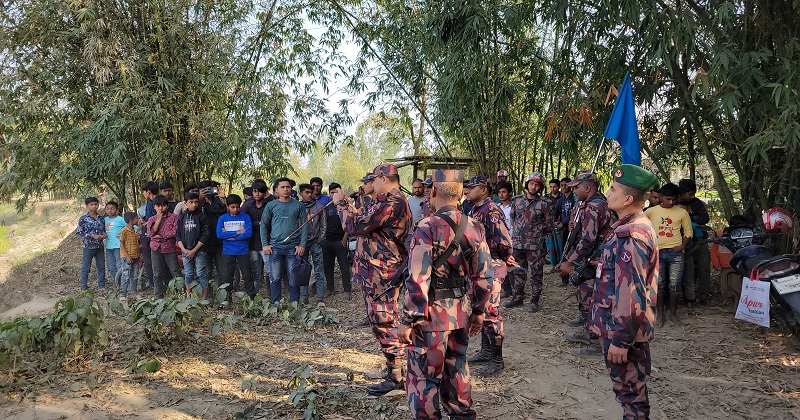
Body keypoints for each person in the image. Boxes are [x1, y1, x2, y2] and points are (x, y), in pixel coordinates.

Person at [398, 169, 493, 419]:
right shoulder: (474, 227)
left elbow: (418, 278)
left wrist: (409, 320)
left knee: (424, 379)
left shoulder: (426, 227)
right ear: (461, 193)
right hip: (460, 312)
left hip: (430, 316)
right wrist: (479, 311)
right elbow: (484, 275)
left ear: (434, 191)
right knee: (457, 369)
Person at [332, 163, 411, 396]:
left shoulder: (392, 202)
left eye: (373, 179)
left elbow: (354, 226)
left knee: (384, 322)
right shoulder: (385, 201)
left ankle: (397, 376)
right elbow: (365, 220)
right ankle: (393, 369)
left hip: (382, 273)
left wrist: (341, 203)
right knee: (380, 321)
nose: (371, 183)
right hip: (374, 271)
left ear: (383, 178)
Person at [593, 164, 660, 419]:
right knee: (628, 393)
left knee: (632, 396)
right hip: (619, 326)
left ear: (628, 199)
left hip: (623, 331)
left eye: (613, 188)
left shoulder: (632, 234)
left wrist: (620, 341)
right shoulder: (627, 226)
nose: (608, 192)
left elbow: (631, 292)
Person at [556, 171, 615, 357]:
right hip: (592, 259)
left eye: (576, 187)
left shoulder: (594, 207)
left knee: (592, 299)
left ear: (587, 187)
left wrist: (570, 262)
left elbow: (588, 239)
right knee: (584, 295)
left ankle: (598, 342)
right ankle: (589, 331)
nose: (573, 191)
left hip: (596, 258)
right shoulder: (589, 205)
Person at [464, 175, 513, 376]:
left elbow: (504, 242)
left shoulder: (491, 210)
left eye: (471, 187)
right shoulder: (475, 209)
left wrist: (497, 259)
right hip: (479, 267)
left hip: (490, 266)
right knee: (481, 308)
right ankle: (485, 351)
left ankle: (497, 359)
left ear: (484, 190)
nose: (466, 190)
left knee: (491, 313)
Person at [645, 182, 692, 326]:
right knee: (659, 284)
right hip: (657, 253)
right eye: (667, 199)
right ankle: (660, 314)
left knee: (675, 285)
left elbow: (688, 232)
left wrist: (682, 245)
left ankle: (672, 314)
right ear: (660, 197)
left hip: (676, 254)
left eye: (673, 199)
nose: (670, 202)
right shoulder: (651, 212)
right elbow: (641, 227)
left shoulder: (682, 212)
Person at [505, 172, 552, 312]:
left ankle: (534, 300)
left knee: (536, 273)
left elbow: (549, 225)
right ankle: (517, 297)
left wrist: (536, 234)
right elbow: (512, 219)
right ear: (527, 184)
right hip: (518, 244)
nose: (533, 187)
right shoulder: (517, 201)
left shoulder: (545, 203)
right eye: (531, 183)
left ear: (541, 187)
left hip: (535, 245)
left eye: (537, 185)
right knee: (518, 271)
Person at [261, 177, 307, 303]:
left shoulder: (298, 205)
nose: (286, 189)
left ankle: (294, 306)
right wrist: (265, 244)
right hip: (275, 248)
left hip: (293, 248)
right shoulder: (271, 205)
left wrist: (302, 245)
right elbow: (264, 225)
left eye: (288, 187)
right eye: (282, 187)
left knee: (293, 279)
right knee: (275, 278)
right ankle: (275, 305)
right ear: (276, 190)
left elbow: (304, 226)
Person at [678, 179, 711, 305]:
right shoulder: (673, 201)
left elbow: (704, 218)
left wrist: (688, 219)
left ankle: (704, 295)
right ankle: (684, 297)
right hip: (679, 240)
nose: (692, 196)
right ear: (682, 192)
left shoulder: (696, 203)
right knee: (685, 271)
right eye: (690, 194)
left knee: (704, 267)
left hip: (699, 239)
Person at [218, 194, 255, 298]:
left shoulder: (245, 217)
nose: (235, 209)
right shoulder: (222, 218)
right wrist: (237, 233)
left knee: (247, 275)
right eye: (232, 207)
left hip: (243, 250)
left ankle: (252, 297)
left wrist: (229, 235)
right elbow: (219, 234)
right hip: (228, 251)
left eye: (237, 207)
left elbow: (248, 233)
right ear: (227, 207)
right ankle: (227, 298)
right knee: (227, 276)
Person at [146, 195, 182, 298]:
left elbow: (174, 232)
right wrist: (158, 219)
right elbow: (151, 233)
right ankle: (158, 296)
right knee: (157, 274)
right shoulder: (151, 219)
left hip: (170, 248)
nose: (161, 208)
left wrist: (160, 236)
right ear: (154, 207)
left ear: (167, 206)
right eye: (158, 206)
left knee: (175, 271)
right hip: (155, 248)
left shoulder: (174, 217)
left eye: (163, 206)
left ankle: (180, 294)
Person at [177, 192, 211, 299]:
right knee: (188, 273)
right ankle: (189, 296)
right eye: (191, 202)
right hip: (185, 250)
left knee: (201, 272)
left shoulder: (202, 216)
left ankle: (204, 298)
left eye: (196, 202)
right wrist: (184, 249)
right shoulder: (181, 217)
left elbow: (206, 235)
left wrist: (194, 250)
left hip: (200, 250)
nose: (194, 204)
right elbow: (178, 235)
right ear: (185, 203)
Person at [321, 182, 352, 300]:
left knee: (344, 267)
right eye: (332, 192)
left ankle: (347, 290)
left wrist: (345, 238)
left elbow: (349, 223)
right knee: (328, 267)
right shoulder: (326, 206)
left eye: (337, 192)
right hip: (327, 241)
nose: (334, 194)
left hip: (340, 241)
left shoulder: (345, 206)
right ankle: (330, 289)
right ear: (329, 194)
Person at [241, 179, 273, 293]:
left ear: (264, 192)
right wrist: (258, 224)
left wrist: (257, 224)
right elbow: (242, 223)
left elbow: (272, 223)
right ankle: (254, 295)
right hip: (252, 243)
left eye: (260, 191)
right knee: (255, 270)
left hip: (267, 243)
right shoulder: (247, 206)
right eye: (255, 191)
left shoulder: (269, 205)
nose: (257, 194)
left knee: (269, 270)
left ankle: (271, 293)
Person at [299, 183, 327, 303]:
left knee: (319, 270)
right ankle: (304, 296)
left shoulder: (320, 207)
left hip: (315, 242)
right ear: (301, 193)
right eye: (307, 192)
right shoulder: (298, 207)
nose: (309, 195)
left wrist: (320, 239)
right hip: (302, 244)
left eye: (311, 192)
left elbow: (324, 225)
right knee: (303, 270)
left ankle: (320, 297)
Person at [77, 197, 107, 292]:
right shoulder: (83, 219)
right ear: (87, 206)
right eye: (91, 204)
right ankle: (83, 286)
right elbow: (79, 233)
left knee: (101, 266)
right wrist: (91, 235)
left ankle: (101, 286)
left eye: (95, 204)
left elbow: (104, 230)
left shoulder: (102, 218)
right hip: (88, 247)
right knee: (86, 267)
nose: (94, 206)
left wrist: (104, 235)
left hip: (99, 246)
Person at [199, 180, 227, 280]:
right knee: (207, 270)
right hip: (205, 242)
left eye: (209, 189)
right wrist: (199, 200)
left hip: (220, 240)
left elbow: (229, 212)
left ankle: (224, 292)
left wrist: (223, 198)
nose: (207, 191)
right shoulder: (197, 203)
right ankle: (208, 292)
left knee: (222, 269)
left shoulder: (219, 201)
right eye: (204, 190)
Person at [555, 177, 577, 286]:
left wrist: (562, 223)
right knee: (564, 252)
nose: (564, 187)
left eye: (566, 185)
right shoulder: (561, 199)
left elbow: (572, 214)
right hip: (565, 230)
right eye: (562, 185)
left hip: (574, 228)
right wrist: (555, 222)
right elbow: (556, 212)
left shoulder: (575, 197)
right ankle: (564, 279)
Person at [140, 181, 159, 290]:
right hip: (147, 234)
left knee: (151, 260)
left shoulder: (157, 203)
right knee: (149, 260)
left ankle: (154, 282)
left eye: (144, 191)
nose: (143, 194)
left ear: (148, 191)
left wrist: (148, 223)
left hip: (153, 235)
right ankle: (153, 282)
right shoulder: (149, 202)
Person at [118, 212, 141, 301]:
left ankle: (133, 292)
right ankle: (123, 294)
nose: (138, 220)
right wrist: (127, 256)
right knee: (126, 275)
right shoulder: (124, 231)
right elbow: (121, 244)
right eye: (137, 218)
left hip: (136, 256)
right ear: (132, 220)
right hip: (127, 257)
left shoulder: (135, 231)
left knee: (134, 275)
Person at [103, 201, 126, 286]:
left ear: (117, 210)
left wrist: (124, 234)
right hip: (109, 247)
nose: (110, 210)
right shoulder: (105, 220)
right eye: (108, 209)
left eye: (112, 209)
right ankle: (118, 283)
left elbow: (132, 226)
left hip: (119, 246)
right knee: (111, 266)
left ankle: (123, 284)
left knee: (120, 265)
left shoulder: (120, 219)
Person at [545, 178, 563, 270]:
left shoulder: (562, 197)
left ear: (559, 187)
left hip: (560, 225)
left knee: (560, 246)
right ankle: (553, 265)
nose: (552, 189)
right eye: (551, 187)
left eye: (555, 186)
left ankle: (560, 265)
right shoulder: (546, 198)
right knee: (550, 247)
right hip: (549, 225)